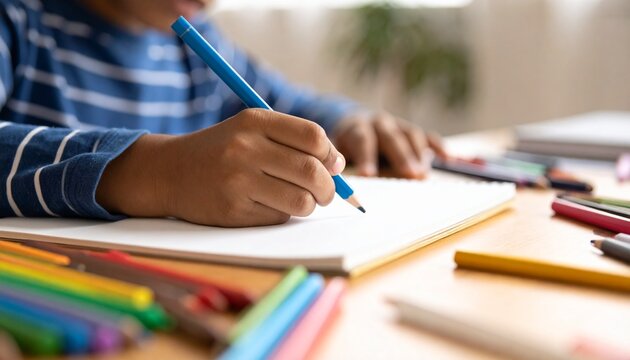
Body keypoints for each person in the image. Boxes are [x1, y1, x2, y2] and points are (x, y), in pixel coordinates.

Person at [0, 0, 444, 227]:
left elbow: (286, 103)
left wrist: (348, 122)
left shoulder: (198, 45)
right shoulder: (18, 21)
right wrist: (160, 174)